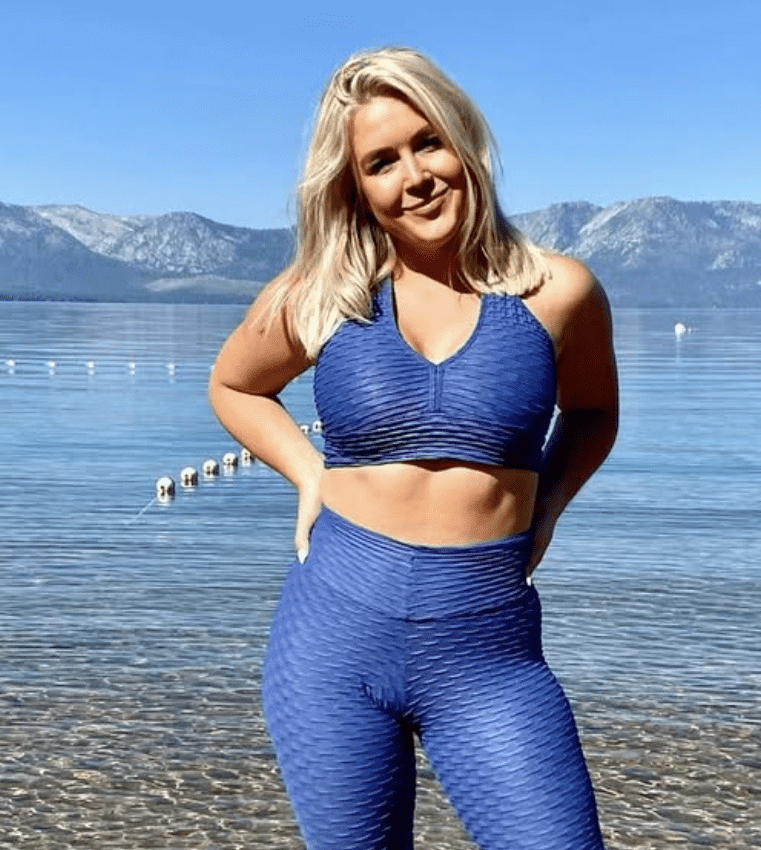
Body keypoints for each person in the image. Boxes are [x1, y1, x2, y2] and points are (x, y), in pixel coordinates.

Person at [208, 45, 619, 850]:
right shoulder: (322, 296)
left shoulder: (559, 291)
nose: (415, 176)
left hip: (487, 650)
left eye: (428, 143)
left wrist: (550, 505)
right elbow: (235, 386)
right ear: (355, 186)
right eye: (382, 162)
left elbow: (595, 412)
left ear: (464, 142)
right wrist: (308, 473)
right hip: (331, 644)